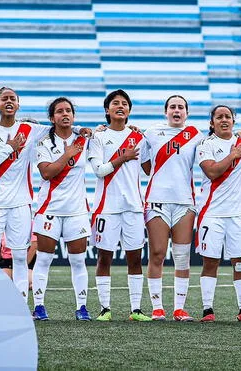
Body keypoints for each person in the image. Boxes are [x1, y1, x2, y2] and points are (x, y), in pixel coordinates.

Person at [0, 87, 90, 307]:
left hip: (21, 204)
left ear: (18, 104)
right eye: (4, 98)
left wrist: (86, 130)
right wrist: (8, 149)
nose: (8, 101)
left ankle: (21, 308)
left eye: (12, 98)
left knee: (20, 257)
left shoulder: (30, 129)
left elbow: (61, 126)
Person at [88, 89, 150, 321]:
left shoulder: (139, 138)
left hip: (133, 206)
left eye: (125, 103)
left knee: (135, 257)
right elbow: (99, 170)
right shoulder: (99, 137)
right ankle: (105, 308)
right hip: (106, 207)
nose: (120, 106)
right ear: (107, 110)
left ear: (130, 110)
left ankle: (136, 309)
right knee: (105, 257)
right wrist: (121, 158)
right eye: (116, 103)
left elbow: (148, 168)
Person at [142, 95, 202, 322]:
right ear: (165, 111)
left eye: (181, 107)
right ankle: (157, 308)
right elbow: (146, 166)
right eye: (173, 107)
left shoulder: (196, 135)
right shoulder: (151, 132)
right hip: (157, 200)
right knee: (156, 253)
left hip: (185, 202)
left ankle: (179, 308)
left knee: (182, 256)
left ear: (186, 112)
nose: (177, 111)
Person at [32, 97, 92, 321]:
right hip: (50, 209)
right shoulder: (44, 144)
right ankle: (39, 306)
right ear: (52, 118)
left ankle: (82, 307)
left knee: (78, 261)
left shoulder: (85, 140)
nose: (64, 114)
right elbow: (47, 173)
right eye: (59, 111)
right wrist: (68, 154)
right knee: (44, 259)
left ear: (74, 116)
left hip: (76, 211)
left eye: (68, 111)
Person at [196, 105, 241, 322]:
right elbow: (212, 172)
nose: (224, 120)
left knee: (240, 262)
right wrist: (232, 155)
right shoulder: (205, 144)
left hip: (240, 213)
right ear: (212, 122)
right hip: (212, 213)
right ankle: (207, 309)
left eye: (227, 117)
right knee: (210, 262)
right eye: (219, 117)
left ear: (234, 120)